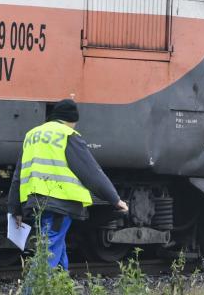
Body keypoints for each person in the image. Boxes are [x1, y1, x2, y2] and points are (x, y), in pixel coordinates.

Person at [9, 99, 128, 271]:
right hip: (60, 205)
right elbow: (91, 172)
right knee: (48, 254)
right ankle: (32, 289)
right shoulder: (67, 135)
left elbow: (17, 176)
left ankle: (62, 286)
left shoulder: (32, 135)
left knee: (57, 248)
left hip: (35, 204)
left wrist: (15, 209)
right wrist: (115, 199)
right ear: (71, 120)